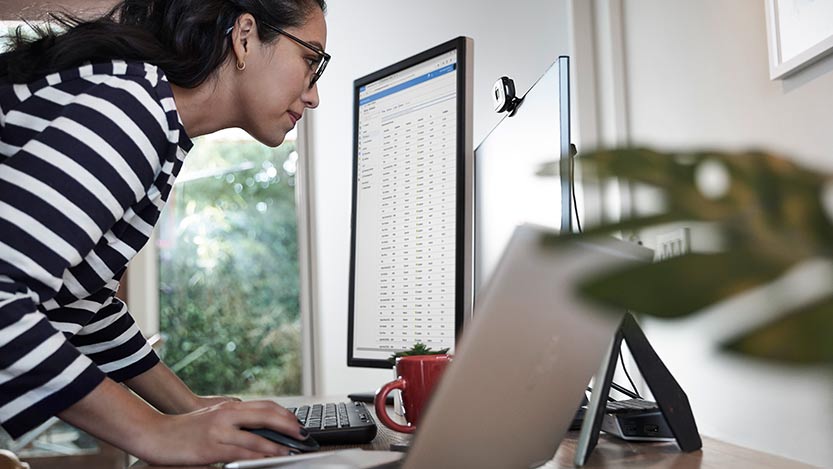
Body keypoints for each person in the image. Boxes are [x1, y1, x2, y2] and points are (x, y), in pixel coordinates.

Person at [0, 0, 328, 465]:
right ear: (245, 36)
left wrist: (189, 409)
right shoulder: (129, 109)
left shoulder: (154, 119)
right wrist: (153, 432)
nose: (314, 94)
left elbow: (82, 303)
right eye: (310, 60)